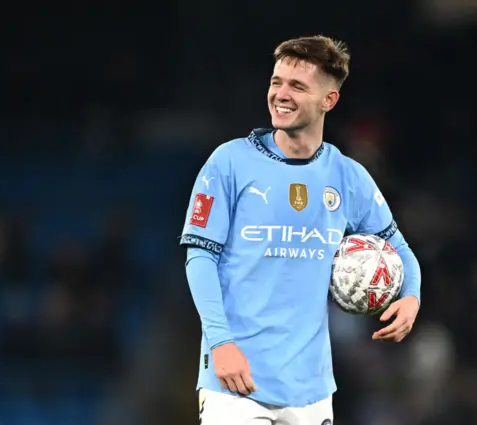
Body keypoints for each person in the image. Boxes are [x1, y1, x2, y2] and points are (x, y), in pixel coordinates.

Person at [179, 35, 421, 425]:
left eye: (297, 85)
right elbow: (199, 258)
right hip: (235, 381)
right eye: (276, 82)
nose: (281, 94)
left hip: (310, 387)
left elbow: (399, 248)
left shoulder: (347, 176)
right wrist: (220, 342)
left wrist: (411, 295)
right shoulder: (229, 163)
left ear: (329, 100)